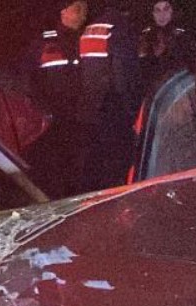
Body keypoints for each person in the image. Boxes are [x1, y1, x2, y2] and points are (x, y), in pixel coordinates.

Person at [75, 0, 141, 190]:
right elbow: (123, 73)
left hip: (90, 108)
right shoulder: (120, 27)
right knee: (116, 167)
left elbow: (84, 70)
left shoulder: (90, 29)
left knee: (94, 164)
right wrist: (131, 109)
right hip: (113, 107)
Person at [28, 1, 90, 196]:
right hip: (54, 122)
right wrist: (42, 110)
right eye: (78, 9)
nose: (83, 14)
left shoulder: (86, 38)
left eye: (85, 9)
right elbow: (29, 79)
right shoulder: (45, 42)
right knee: (58, 172)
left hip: (81, 117)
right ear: (64, 11)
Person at [138, 0, 196, 82]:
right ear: (152, 13)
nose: (162, 15)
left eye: (166, 9)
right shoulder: (145, 37)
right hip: (152, 87)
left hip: (179, 85)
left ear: (172, 11)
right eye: (157, 10)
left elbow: (195, 68)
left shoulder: (183, 37)